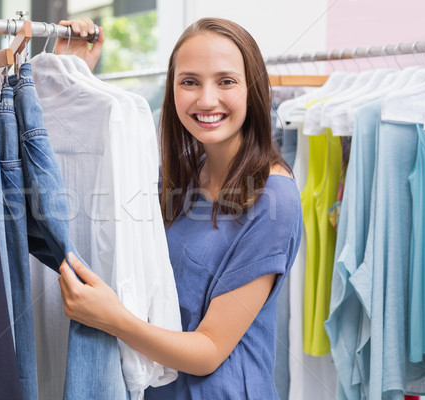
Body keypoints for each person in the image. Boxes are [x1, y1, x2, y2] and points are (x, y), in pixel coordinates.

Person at [57, 17, 303, 399]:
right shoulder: (182, 177)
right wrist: (73, 79)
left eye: (226, 81)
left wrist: (113, 319)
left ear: (253, 89)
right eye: (189, 81)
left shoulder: (273, 199)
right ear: (172, 90)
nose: (206, 99)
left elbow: (209, 350)